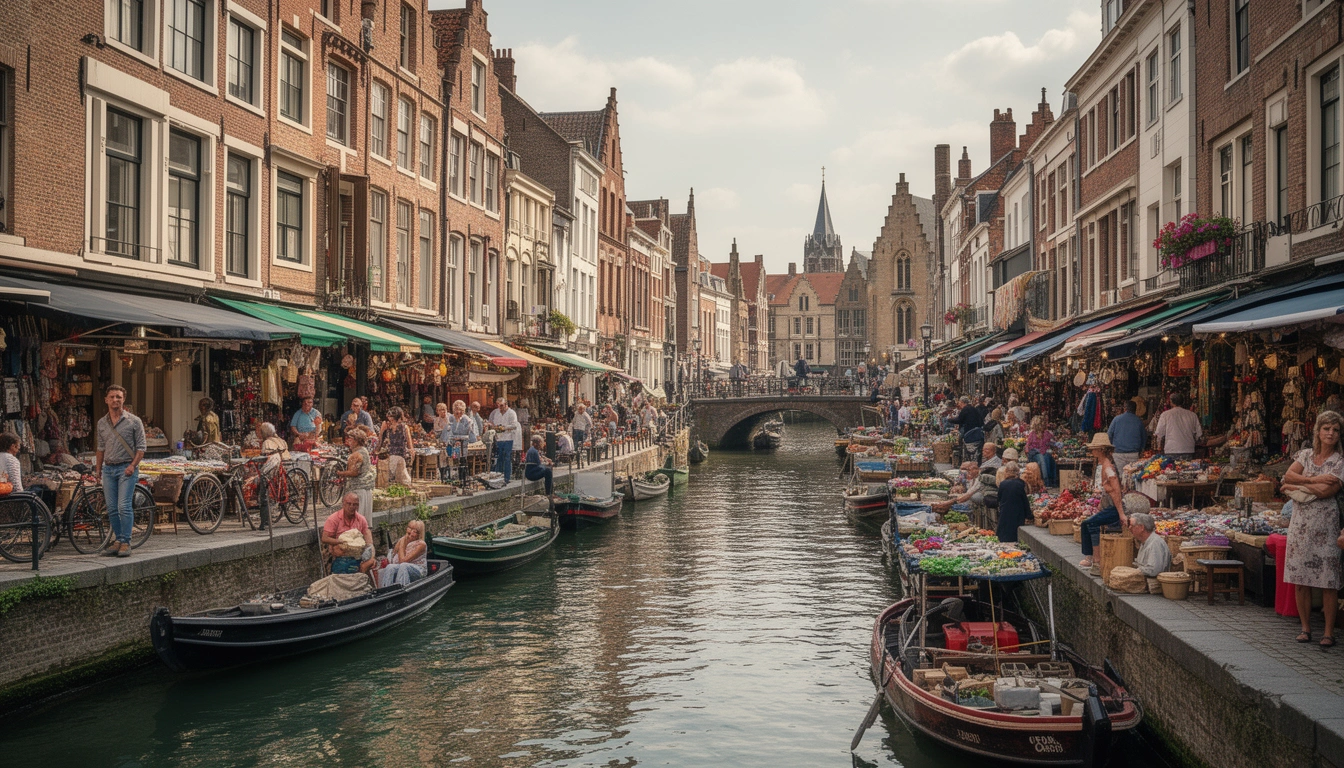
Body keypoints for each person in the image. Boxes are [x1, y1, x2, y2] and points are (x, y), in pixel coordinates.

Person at [1281, 410, 1344, 648]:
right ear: (1318, 431)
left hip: (1326, 525)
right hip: (1300, 524)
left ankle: (1328, 632)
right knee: (1300, 578)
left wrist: (1297, 483)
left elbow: (1328, 492)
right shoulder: (1306, 454)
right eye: (1326, 429)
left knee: (1328, 579)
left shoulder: (1339, 461)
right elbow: (1288, 474)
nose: (1330, 433)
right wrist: (1313, 480)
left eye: (1335, 430)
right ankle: (1305, 628)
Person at [94, 385, 145, 558]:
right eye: (112, 397)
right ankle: (118, 539)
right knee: (111, 508)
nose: (115, 400)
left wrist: (132, 465)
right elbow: (100, 448)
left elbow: (141, 448)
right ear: (106, 400)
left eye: (119, 397)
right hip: (109, 468)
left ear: (123, 399)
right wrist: (98, 469)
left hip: (126, 468)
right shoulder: (101, 423)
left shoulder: (134, 421)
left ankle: (126, 542)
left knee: (123, 506)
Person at [1077, 433, 1127, 570]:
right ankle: (1091, 556)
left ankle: (1095, 558)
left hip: (1114, 508)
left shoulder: (1108, 467)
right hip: (1110, 506)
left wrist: (1121, 513)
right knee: (1087, 523)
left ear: (1100, 450)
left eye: (1094, 449)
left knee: (1090, 523)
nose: (1092, 451)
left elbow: (1116, 490)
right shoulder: (1104, 465)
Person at [321, 492, 376, 576]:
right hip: (340, 554)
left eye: (355, 504)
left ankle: (360, 578)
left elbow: (369, 542)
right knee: (339, 553)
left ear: (358, 506)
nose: (351, 507)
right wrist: (341, 542)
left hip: (358, 553)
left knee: (371, 560)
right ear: (343, 504)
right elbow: (324, 538)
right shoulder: (333, 519)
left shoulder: (361, 519)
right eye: (349, 504)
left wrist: (371, 557)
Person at [336, 429, 377, 517]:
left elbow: (354, 472)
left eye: (350, 439)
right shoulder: (364, 451)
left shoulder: (356, 454)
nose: (348, 441)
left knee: (356, 519)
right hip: (365, 489)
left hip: (358, 490)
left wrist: (341, 473)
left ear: (356, 441)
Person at [1129, 508, 1171, 594]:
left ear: (1141, 528)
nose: (1129, 528)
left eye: (1132, 526)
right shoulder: (1145, 542)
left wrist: (1135, 571)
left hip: (1153, 586)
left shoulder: (1155, 543)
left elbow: (1154, 570)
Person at [440, 400, 479, 483]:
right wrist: (449, 439)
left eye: (460, 412)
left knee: (462, 463)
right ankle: (452, 480)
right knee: (450, 461)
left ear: (463, 411)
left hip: (462, 446)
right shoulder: (450, 419)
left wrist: (460, 438)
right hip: (452, 445)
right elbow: (447, 432)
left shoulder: (467, 420)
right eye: (456, 412)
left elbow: (472, 437)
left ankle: (462, 480)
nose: (458, 413)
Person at [1153, 393, 1201, 459]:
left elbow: (1159, 433)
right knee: (1188, 468)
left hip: (1172, 449)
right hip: (1188, 449)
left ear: (1171, 402)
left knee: (1172, 469)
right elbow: (1199, 434)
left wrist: (1159, 446)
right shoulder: (1192, 415)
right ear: (1182, 402)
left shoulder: (1165, 415)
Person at [381, 520, 428, 587]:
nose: (410, 533)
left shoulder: (421, 544)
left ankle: (400, 589)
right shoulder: (403, 539)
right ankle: (385, 589)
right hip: (403, 567)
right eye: (409, 529)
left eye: (414, 531)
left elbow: (402, 561)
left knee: (404, 565)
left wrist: (402, 543)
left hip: (419, 570)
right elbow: (394, 555)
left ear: (419, 534)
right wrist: (402, 542)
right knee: (390, 567)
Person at [995, 461, 1031, 543]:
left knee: (1004, 536)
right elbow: (1024, 500)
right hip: (1018, 513)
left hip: (1005, 512)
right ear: (1017, 471)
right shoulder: (1021, 484)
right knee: (1015, 535)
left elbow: (999, 499)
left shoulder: (1002, 484)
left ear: (1006, 471)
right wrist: (1029, 515)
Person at [1108, 398, 1147, 470]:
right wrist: (1141, 450)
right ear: (1135, 410)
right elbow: (1144, 438)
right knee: (1132, 475)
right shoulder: (1139, 421)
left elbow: (1109, 435)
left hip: (1118, 453)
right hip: (1133, 454)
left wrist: (1110, 449)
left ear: (1125, 408)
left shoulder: (1116, 419)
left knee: (1120, 476)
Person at [489, 397, 522, 483]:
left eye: (502, 405)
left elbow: (514, 425)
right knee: (499, 458)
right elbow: (491, 422)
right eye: (498, 405)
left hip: (508, 438)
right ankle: (499, 477)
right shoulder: (495, 413)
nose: (500, 407)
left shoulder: (511, 413)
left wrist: (504, 428)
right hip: (499, 438)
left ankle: (507, 477)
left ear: (506, 405)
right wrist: (494, 426)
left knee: (507, 458)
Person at [379, 407, 415, 486]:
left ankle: (394, 480)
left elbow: (409, 444)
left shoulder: (404, 427)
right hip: (391, 453)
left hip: (400, 454)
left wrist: (411, 452)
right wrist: (382, 430)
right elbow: (381, 441)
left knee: (395, 460)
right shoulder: (388, 427)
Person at [1025, 416, 1058, 489]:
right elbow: (1027, 447)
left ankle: (1053, 481)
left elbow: (1052, 441)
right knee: (1042, 459)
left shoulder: (1046, 433)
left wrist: (1055, 444)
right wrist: (1030, 452)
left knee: (1049, 458)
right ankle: (1046, 482)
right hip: (1034, 454)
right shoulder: (1032, 434)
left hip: (1044, 452)